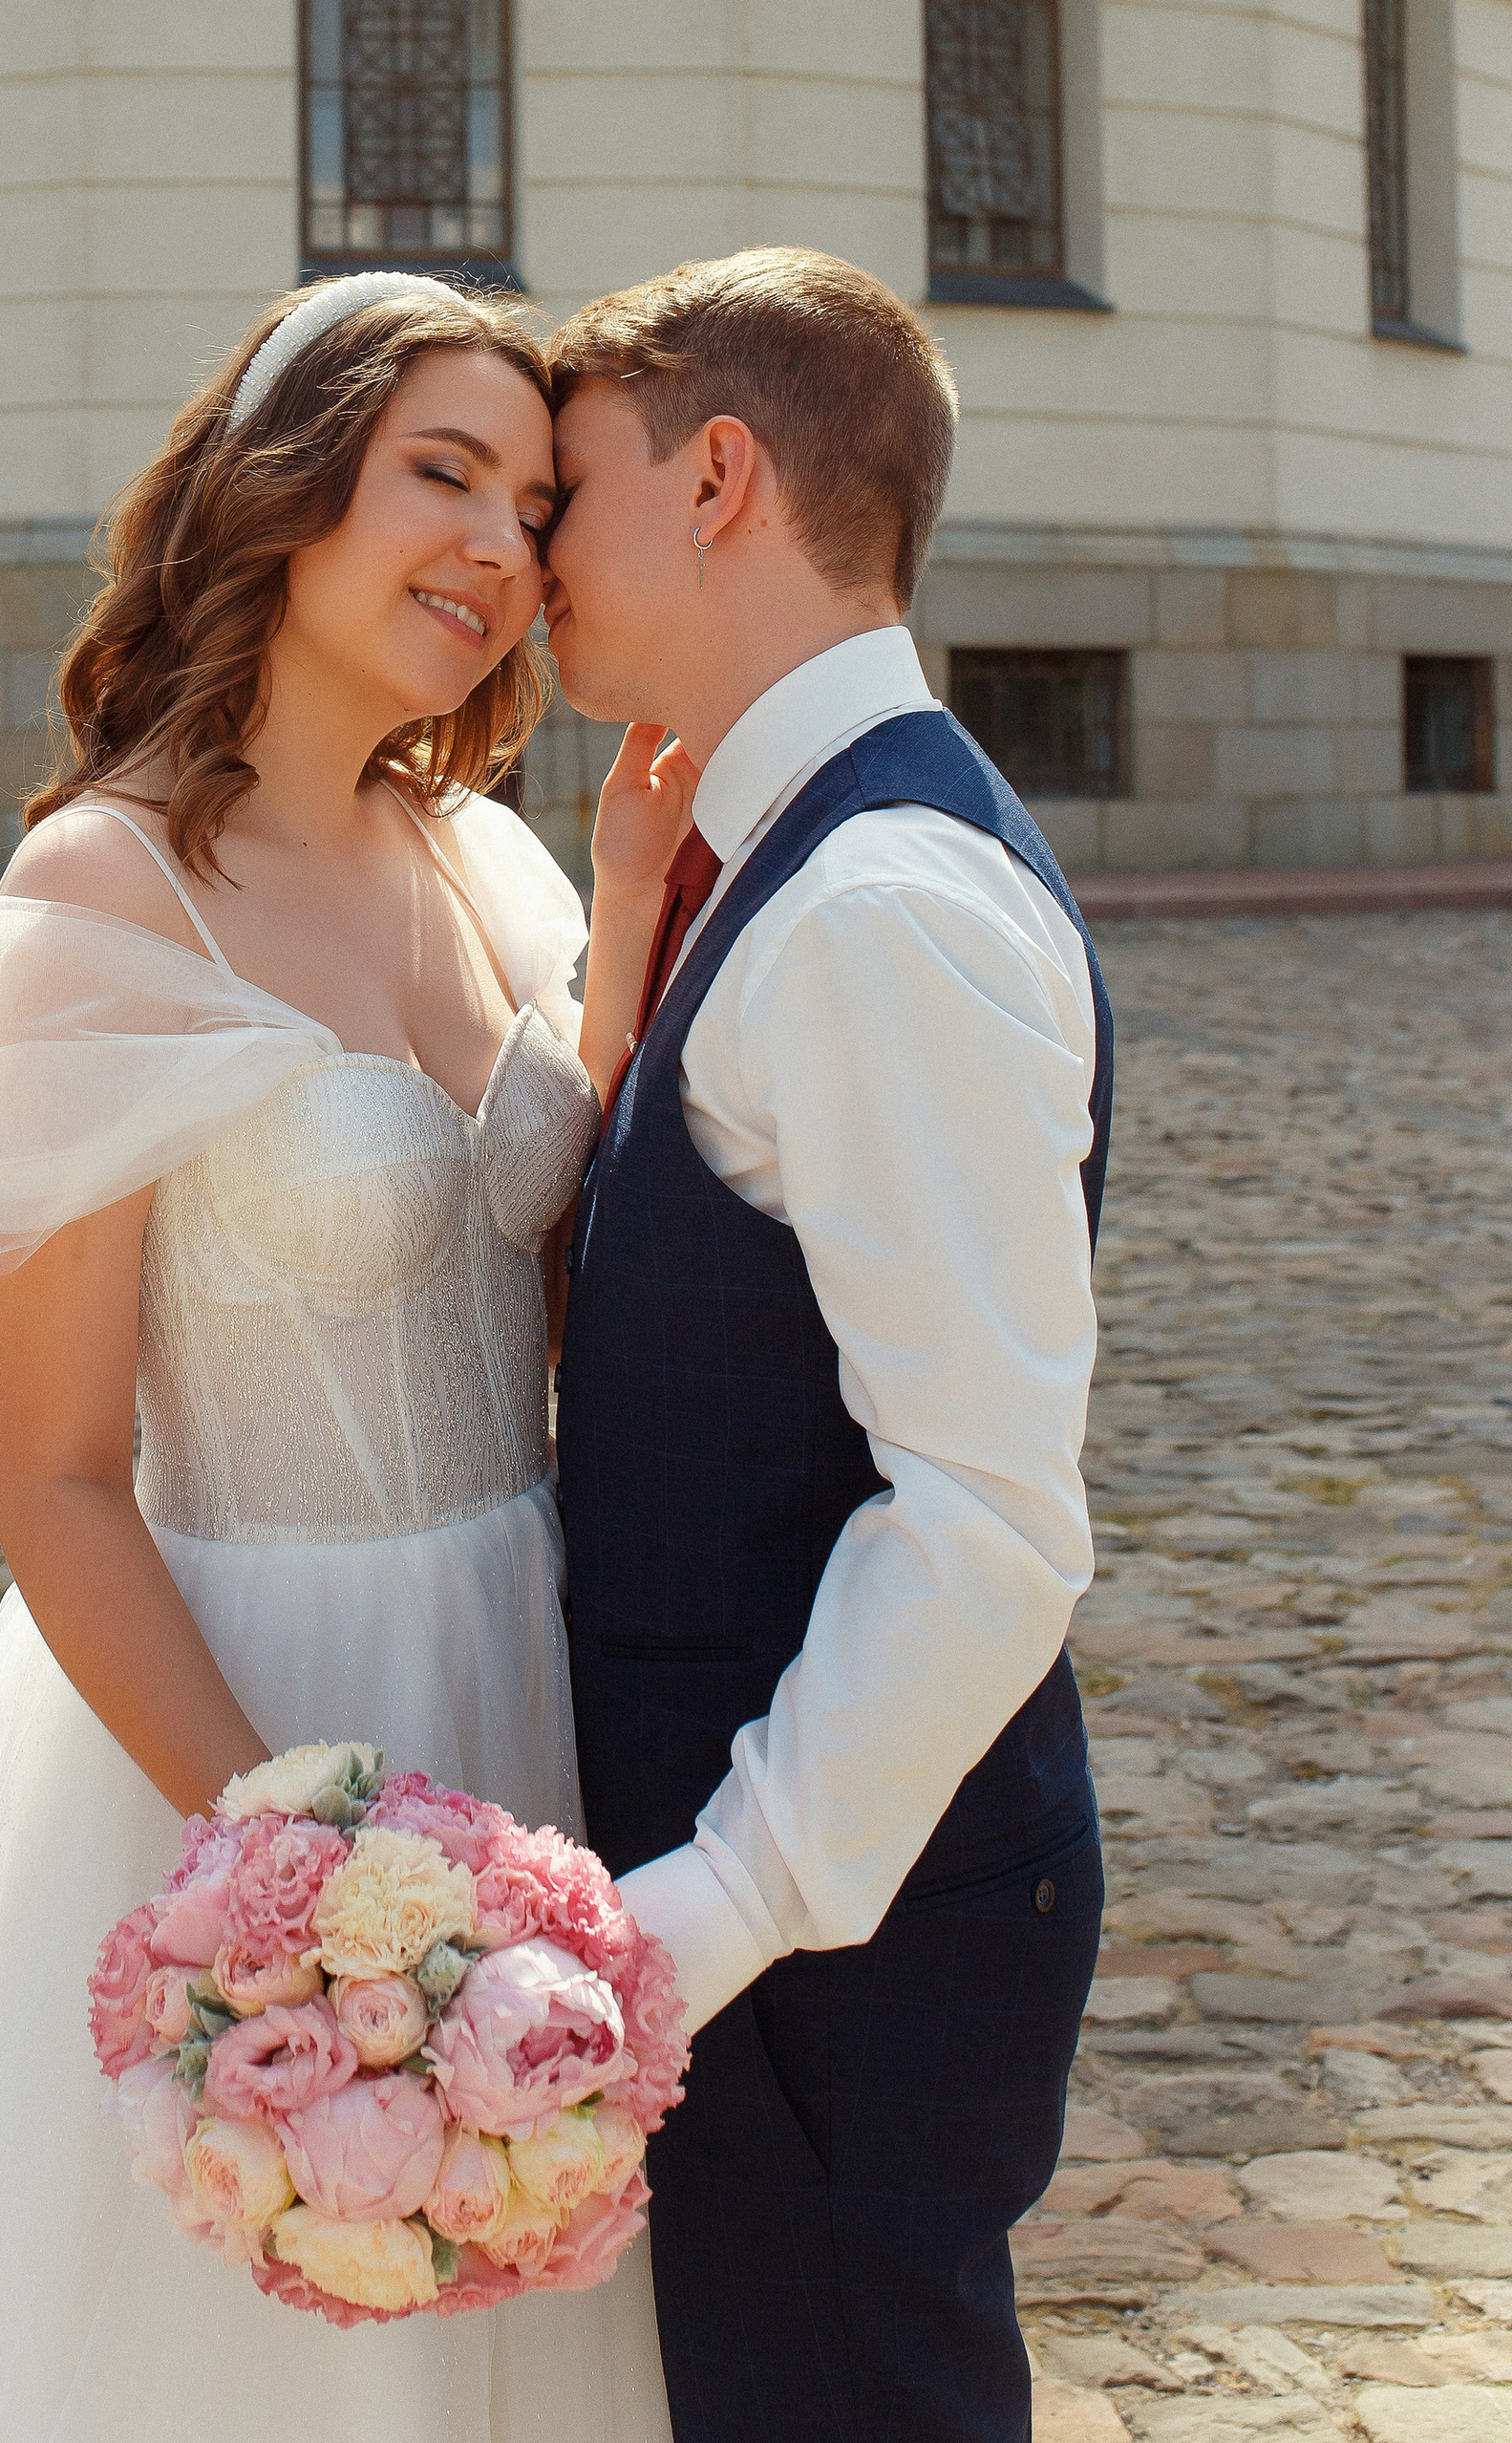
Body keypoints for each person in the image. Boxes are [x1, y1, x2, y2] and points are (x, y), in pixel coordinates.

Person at [0, 270, 673, 2443]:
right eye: (441, 472)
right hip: (244, 1722)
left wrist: (614, 927)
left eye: (530, 501)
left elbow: (539, 1252)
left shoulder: (489, 856)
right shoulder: (105, 893)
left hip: (527, 1673)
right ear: (277, 481)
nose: (499, 546)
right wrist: (286, 1860)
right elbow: (48, 1466)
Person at [542, 246, 1110, 2443]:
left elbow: (977, 1515)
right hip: (788, 1934)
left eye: (564, 489)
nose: (528, 549)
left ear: (713, 475)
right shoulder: (786, 849)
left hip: (828, 1959)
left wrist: (692, 1922)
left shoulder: (876, 899)